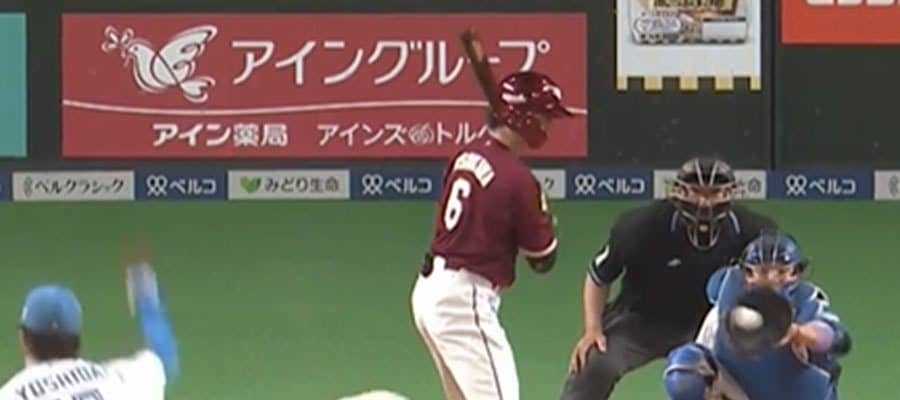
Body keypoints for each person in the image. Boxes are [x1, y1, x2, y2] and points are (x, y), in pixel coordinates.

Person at [411, 70, 576, 400]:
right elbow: (542, 260)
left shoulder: (465, 155)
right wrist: (545, 219)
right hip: (464, 300)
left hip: (429, 291)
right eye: (544, 117)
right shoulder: (518, 179)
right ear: (525, 118)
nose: (548, 126)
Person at [561, 157, 777, 400]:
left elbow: (778, 283)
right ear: (679, 192)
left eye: (714, 193)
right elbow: (598, 277)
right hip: (641, 317)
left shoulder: (753, 232)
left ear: (729, 194)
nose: (704, 202)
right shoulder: (640, 227)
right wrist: (592, 329)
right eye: (696, 192)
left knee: (731, 373)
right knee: (594, 360)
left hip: (710, 323)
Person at [663, 231, 851, 400]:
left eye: (782, 272)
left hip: (796, 391)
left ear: (795, 272)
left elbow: (839, 339)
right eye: (763, 271)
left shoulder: (805, 299)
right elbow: (713, 287)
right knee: (684, 371)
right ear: (748, 273)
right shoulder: (730, 287)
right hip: (739, 388)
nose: (772, 279)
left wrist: (798, 333)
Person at [0, 263, 179, 400]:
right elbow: (163, 358)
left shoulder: (11, 394)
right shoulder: (119, 380)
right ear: (76, 338)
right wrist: (147, 301)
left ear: (23, 339)